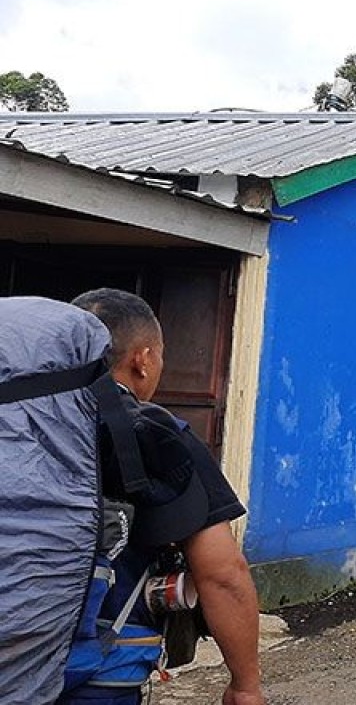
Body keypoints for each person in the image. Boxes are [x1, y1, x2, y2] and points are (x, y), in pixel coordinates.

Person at [68, 288, 263, 705]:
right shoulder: (159, 436)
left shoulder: (18, 424)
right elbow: (224, 574)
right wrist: (245, 686)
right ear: (142, 358)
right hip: (102, 665)